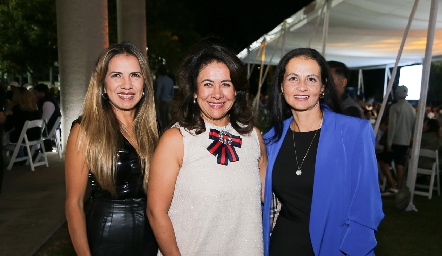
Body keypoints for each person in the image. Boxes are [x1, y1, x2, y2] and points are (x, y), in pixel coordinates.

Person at [146, 38, 267, 255]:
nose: (217, 93)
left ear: (236, 90)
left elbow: (266, 200)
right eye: (207, 84)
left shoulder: (253, 138)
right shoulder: (176, 139)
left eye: (226, 84)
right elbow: (156, 212)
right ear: (193, 91)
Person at [262, 48, 384, 255]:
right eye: (293, 78)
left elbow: (367, 207)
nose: (302, 87)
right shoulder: (271, 139)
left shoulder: (354, 133)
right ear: (282, 86)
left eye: (311, 79)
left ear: (323, 86)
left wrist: (353, 249)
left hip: (336, 247)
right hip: (282, 245)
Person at [65, 42, 159, 256]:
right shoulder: (85, 130)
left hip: (151, 239)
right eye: (117, 75)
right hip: (107, 239)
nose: (127, 85)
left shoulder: (153, 129)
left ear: (144, 83)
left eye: (135, 75)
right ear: (102, 84)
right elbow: (74, 203)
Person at [383, 85, 415, 193]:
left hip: (395, 140)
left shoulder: (395, 107)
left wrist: (389, 143)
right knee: (399, 164)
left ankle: (393, 184)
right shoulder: (412, 109)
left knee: (383, 162)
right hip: (405, 140)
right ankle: (398, 186)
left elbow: (392, 126)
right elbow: (412, 127)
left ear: (397, 94)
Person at [154, 64, 174, 131]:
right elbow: (172, 91)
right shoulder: (170, 80)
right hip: (169, 100)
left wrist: (157, 99)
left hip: (162, 100)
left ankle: (164, 130)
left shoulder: (159, 79)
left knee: (162, 116)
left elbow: (158, 90)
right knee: (168, 116)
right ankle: (169, 129)